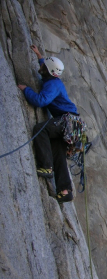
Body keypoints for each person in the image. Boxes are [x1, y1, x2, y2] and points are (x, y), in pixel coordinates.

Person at [17, 45, 78, 203]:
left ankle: (46, 166)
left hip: (66, 120)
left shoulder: (52, 85)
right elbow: (47, 67)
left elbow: (40, 100)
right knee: (58, 152)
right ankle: (65, 190)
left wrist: (26, 90)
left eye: (43, 66)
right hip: (71, 123)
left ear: (49, 71)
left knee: (40, 129)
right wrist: (39, 55)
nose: (41, 67)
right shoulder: (53, 79)